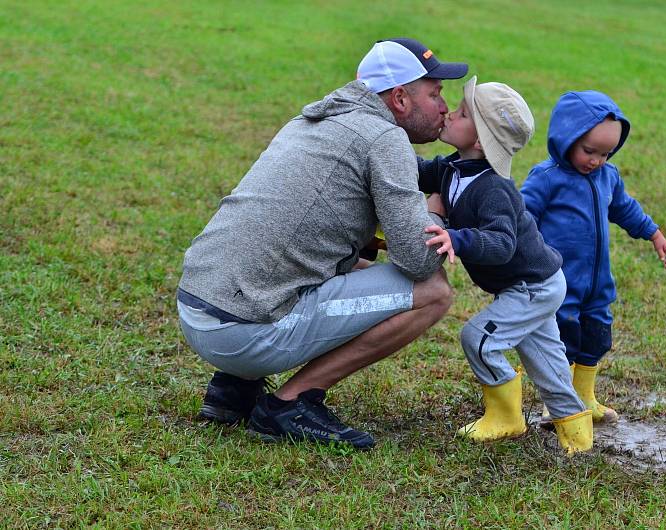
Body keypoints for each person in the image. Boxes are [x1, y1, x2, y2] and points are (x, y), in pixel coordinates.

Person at [176, 38, 468, 449]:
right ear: (400, 98)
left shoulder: (315, 120)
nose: (444, 105)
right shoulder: (384, 139)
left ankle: (232, 390)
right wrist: (436, 214)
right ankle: (291, 404)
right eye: (435, 94)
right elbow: (418, 261)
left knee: (344, 263)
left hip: (197, 307)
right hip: (243, 331)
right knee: (433, 291)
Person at [418, 76, 592, 454]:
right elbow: (421, 172)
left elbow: (500, 244)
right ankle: (578, 436)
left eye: (462, 113)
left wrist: (457, 237)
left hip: (532, 287)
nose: (450, 112)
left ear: (479, 141)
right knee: (546, 361)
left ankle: (506, 418)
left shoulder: (494, 188)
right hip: (535, 284)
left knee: (478, 339)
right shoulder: (454, 166)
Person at [520, 91, 666, 426]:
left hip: (597, 283)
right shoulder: (547, 178)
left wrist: (653, 233)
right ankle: (558, 403)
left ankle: (585, 396)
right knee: (563, 341)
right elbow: (522, 215)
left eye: (606, 153)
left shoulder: (608, 176)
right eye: (589, 151)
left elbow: (624, 208)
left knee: (596, 337)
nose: (597, 161)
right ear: (565, 139)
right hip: (560, 282)